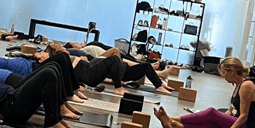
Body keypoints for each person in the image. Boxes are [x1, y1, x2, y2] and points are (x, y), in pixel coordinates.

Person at [154, 57, 255, 128]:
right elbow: (231, 110)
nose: (223, 76)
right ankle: (174, 125)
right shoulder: (238, 84)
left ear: (232, 72)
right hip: (242, 122)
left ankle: (171, 118)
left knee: (211, 112)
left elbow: (244, 116)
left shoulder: (246, 86)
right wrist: (220, 121)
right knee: (212, 122)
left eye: (224, 73)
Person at [44, 42, 173, 95]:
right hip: (88, 72)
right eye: (54, 45)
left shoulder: (68, 53)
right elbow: (69, 75)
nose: (57, 43)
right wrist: (81, 85)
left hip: (91, 68)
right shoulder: (62, 57)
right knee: (114, 58)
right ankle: (118, 88)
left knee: (144, 66)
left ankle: (159, 84)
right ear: (54, 50)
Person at [0, 52, 87, 101]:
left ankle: (74, 89)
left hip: (33, 65)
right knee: (61, 57)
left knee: (63, 56)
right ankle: (70, 93)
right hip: (32, 72)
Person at [64, 41, 172, 79]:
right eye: (75, 44)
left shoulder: (84, 48)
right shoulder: (80, 51)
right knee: (128, 63)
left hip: (103, 57)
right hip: (102, 59)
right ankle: (157, 71)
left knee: (127, 59)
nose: (79, 44)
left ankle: (156, 71)